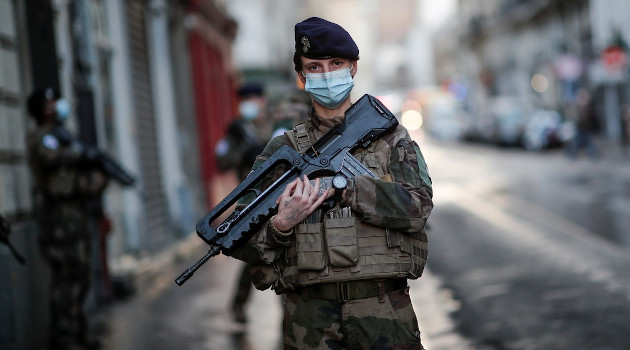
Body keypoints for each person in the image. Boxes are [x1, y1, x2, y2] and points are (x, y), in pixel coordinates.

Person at [233, 17, 433, 349]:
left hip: (384, 308)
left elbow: (419, 208)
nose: (327, 74)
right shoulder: (282, 152)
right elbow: (241, 236)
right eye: (314, 67)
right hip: (309, 317)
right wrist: (281, 224)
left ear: (353, 67)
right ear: (301, 76)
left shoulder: (390, 138)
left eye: (336, 64)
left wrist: (346, 187)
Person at [26, 87, 109, 350]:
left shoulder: (61, 135)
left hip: (76, 212)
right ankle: (63, 337)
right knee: (66, 276)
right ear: (41, 109)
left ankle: (78, 334)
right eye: (49, 102)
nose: (55, 106)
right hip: (58, 215)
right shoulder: (42, 137)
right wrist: (78, 153)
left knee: (81, 274)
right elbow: (51, 158)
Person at [215, 83, 273, 323]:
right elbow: (222, 161)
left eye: (254, 97)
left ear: (263, 100)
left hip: (282, 194)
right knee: (252, 252)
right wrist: (242, 148)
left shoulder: (275, 125)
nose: (250, 102)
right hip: (250, 201)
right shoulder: (236, 130)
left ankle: (288, 317)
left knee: (289, 253)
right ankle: (238, 305)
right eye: (245, 98)